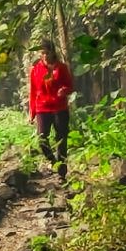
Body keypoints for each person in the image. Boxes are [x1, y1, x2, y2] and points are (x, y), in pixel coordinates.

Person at [29, 40, 75, 180]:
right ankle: (53, 162)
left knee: (61, 139)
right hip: (42, 107)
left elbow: (70, 86)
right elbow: (32, 91)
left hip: (59, 107)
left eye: (46, 52)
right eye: (41, 53)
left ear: (52, 52)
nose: (44, 56)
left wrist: (64, 90)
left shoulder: (61, 68)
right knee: (41, 138)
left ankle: (62, 172)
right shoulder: (36, 69)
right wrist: (32, 113)